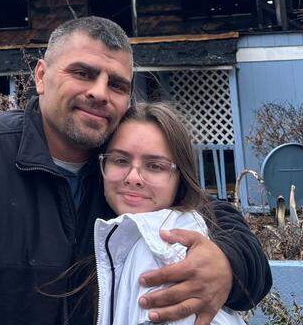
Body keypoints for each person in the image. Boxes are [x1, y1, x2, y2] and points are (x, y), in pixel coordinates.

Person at [0, 16, 270, 325]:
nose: (99, 92)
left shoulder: (121, 178)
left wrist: (227, 264)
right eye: (83, 73)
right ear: (41, 76)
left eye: (117, 84)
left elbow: (215, 217)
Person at [93, 102, 245, 325]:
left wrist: (230, 264)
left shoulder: (167, 252)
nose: (133, 178)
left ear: (181, 177)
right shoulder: (113, 233)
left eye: (155, 166)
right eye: (120, 160)